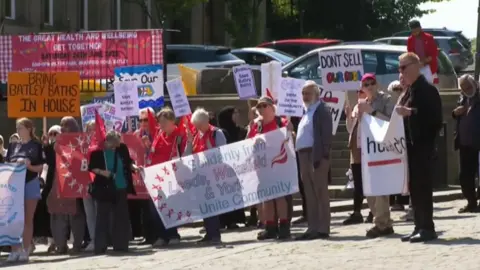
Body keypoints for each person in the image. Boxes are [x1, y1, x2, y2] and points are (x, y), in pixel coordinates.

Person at [397, 52, 443, 243]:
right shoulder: (409, 90)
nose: (401, 72)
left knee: (423, 188)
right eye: (399, 68)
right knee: (414, 189)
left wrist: (410, 112)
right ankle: (418, 225)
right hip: (410, 147)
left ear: (415, 66)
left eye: (403, 68)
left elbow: (434, 118)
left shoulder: (427, 89)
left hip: (423, 147)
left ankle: (427, 227)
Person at [350, 74, 396, 238]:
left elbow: (391, 121)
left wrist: (373, 112)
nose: (369, 86)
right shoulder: (361, 104)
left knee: (381, 188)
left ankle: (381, 223)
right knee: (368, 189)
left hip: (380, 149)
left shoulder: (386, 100)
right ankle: (382, 221)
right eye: (365, 84)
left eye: (372, 83)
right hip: (364, 151)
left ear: (377, 84)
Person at [247, 97, 294, 240]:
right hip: (262, 167)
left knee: (279, 196)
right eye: (259, 107)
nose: (261, 109)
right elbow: (248, 143)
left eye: (264, 106)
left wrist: (291, 132)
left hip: (279, 165)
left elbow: (290, 140)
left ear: (272, 108)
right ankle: (270, 227)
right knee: (266, 197)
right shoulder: (256, 126)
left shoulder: (282, 123)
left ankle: (284, 226)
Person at [88, 130, 139, 254]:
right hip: (104, 188)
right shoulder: (98, 152)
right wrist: (102, 172)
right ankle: (100, 246)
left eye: (117, 144)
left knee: (121, 217)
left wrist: (134, 167)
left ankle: (121, 245)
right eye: (113, 145)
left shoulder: (122, 148)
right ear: (106, 142)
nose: (116, 147)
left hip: (121, 186)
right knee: (102, 217)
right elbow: (91, 167)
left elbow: (128, 162)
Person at [294, 81, 332, 240]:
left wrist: (323, 157)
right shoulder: (306, 111)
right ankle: (313, 227)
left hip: (316, 155)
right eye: (303, 93)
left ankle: (323, 228)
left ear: (316, 94)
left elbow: (326, 136)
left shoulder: (321, 110)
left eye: (308, 93)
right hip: (303, 155)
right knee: (309, 193)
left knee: (320, 191)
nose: (305, 96)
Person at [184, 108, 227, 244]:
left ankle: (215, 234)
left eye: (199, 125)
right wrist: (189, 142)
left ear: (205, 122)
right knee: (204, 206)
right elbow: (186, 156)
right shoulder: (196, 135)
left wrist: (211, 149)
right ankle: (209, 232)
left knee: (212, 205)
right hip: (200, 177)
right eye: (196, 126)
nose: (197, 128)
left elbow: (224, 152)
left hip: (213, 175)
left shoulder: (216, 133)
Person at [5, 118, 45, 262]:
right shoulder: (12, 146)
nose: (18, 130)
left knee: (28, 219)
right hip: (14, 186)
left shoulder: (36, 145)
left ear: (29, 129)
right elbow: (7, 164)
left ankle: (26, 249)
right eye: (17, 128)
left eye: (21, 128)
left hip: (30, 182)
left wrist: (29, 167)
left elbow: (41, 167)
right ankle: (15, 249)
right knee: (13, 218)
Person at [47, 117, 86, 254]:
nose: (63, 128)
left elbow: (81, 160)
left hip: (75, 181)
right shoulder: (55, 144)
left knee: (75, 214)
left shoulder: (81, 143)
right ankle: (60, 245)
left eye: (66, 125)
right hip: (59, 182)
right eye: (61, 125)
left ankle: (77, 244)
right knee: (57, 214)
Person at [148, 107, 185, 247]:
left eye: (163, 121)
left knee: (171, 206)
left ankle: (172, 234)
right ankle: (161, 235)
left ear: (172, 121)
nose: (160, 124)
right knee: (157, 208)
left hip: (171, 176)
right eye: (159, 121)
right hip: (156, 176)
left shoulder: (178, 135)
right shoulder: (158, 133)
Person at [452, 74, 480, 213]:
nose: (467, 90)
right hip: (465, 142)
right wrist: (455, 113)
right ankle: (471, 202)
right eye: (463, 88)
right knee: (465, 175)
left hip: (477, 141)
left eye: (468, 87)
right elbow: (456, 113)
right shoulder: (462, 98)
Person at [216, 106, 247, 229]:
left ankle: (235, 219)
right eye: (234, 114)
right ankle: (225, 220)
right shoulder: (221, 132)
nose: (237, 116)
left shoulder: (241, 131)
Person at [34, 125, 61, 254]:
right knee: (46, 213)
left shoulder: (64, 148)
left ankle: (60, 241)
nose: (53, 136)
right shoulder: (47, 149)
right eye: (51, 134)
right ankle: (51, 242)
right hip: (48, 184)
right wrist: (45, 145)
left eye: (56, 133)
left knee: (59, 215)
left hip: (61, 184)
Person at [133, 107, 157, 244]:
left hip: (155, 173)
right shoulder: (137, 134)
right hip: (141, 174)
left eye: (146, 120)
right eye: (140, 120)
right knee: (144, 206)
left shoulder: (157, 132)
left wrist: (148, 146)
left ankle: (157, 234)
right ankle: (147, 235)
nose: (143, 123)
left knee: (154, 206)